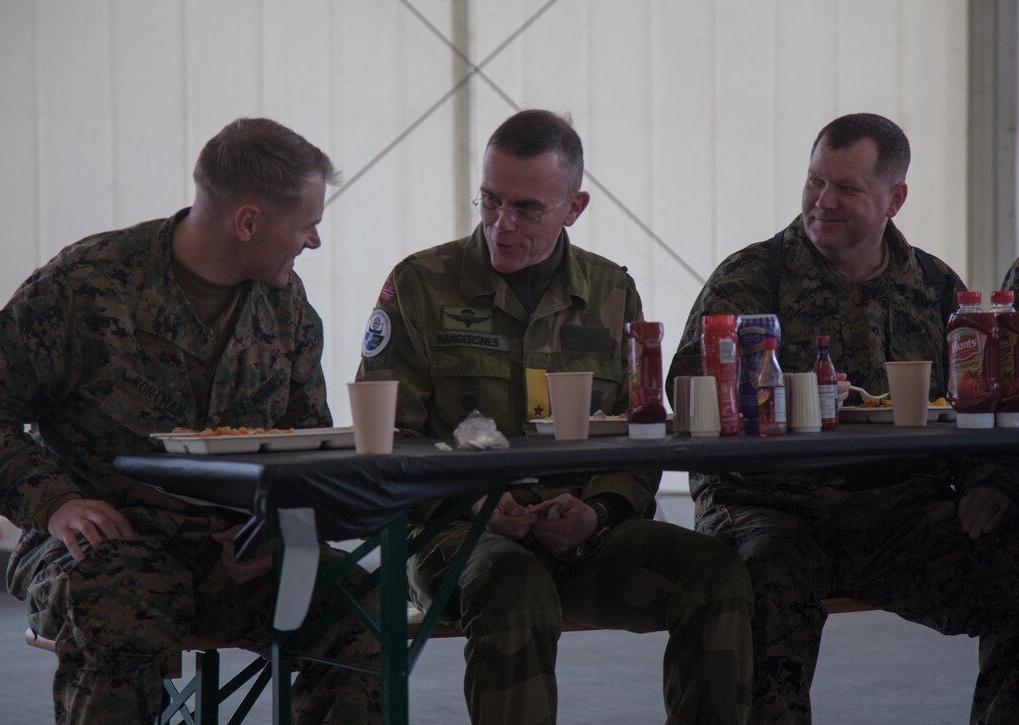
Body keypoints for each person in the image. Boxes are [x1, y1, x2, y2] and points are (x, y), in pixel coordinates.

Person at [0, 118, 381, 723]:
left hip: (233, 556)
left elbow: (305, 444)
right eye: (308, 225)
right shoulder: (88, 286)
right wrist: (53, 502)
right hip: (99, 549)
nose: (314, 242)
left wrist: (279, 533)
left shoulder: (287, 308)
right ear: (247, 222)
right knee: (124, 606)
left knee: (360, 613)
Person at [357, 109, 754, 724]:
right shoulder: (421, 285)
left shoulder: (609, 291)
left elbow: (638, 428)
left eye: (527, 209)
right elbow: (386, 435)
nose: (501, 225)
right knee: (514, 587)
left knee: (717, 575)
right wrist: (474, 503)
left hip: (585, 539)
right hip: (456, 535)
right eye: (489, 201)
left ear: (575, 207)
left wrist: (598, 512)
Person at [667, 112, 1019, 724]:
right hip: (772, 507)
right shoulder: (753, 278)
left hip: (899, 516)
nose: (822, 202)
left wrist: (990, 481)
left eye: (847, 188)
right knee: (763, 586)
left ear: (895, 198)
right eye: (814, 181)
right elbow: (685, 390)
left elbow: (980, 398)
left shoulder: (935, 288)